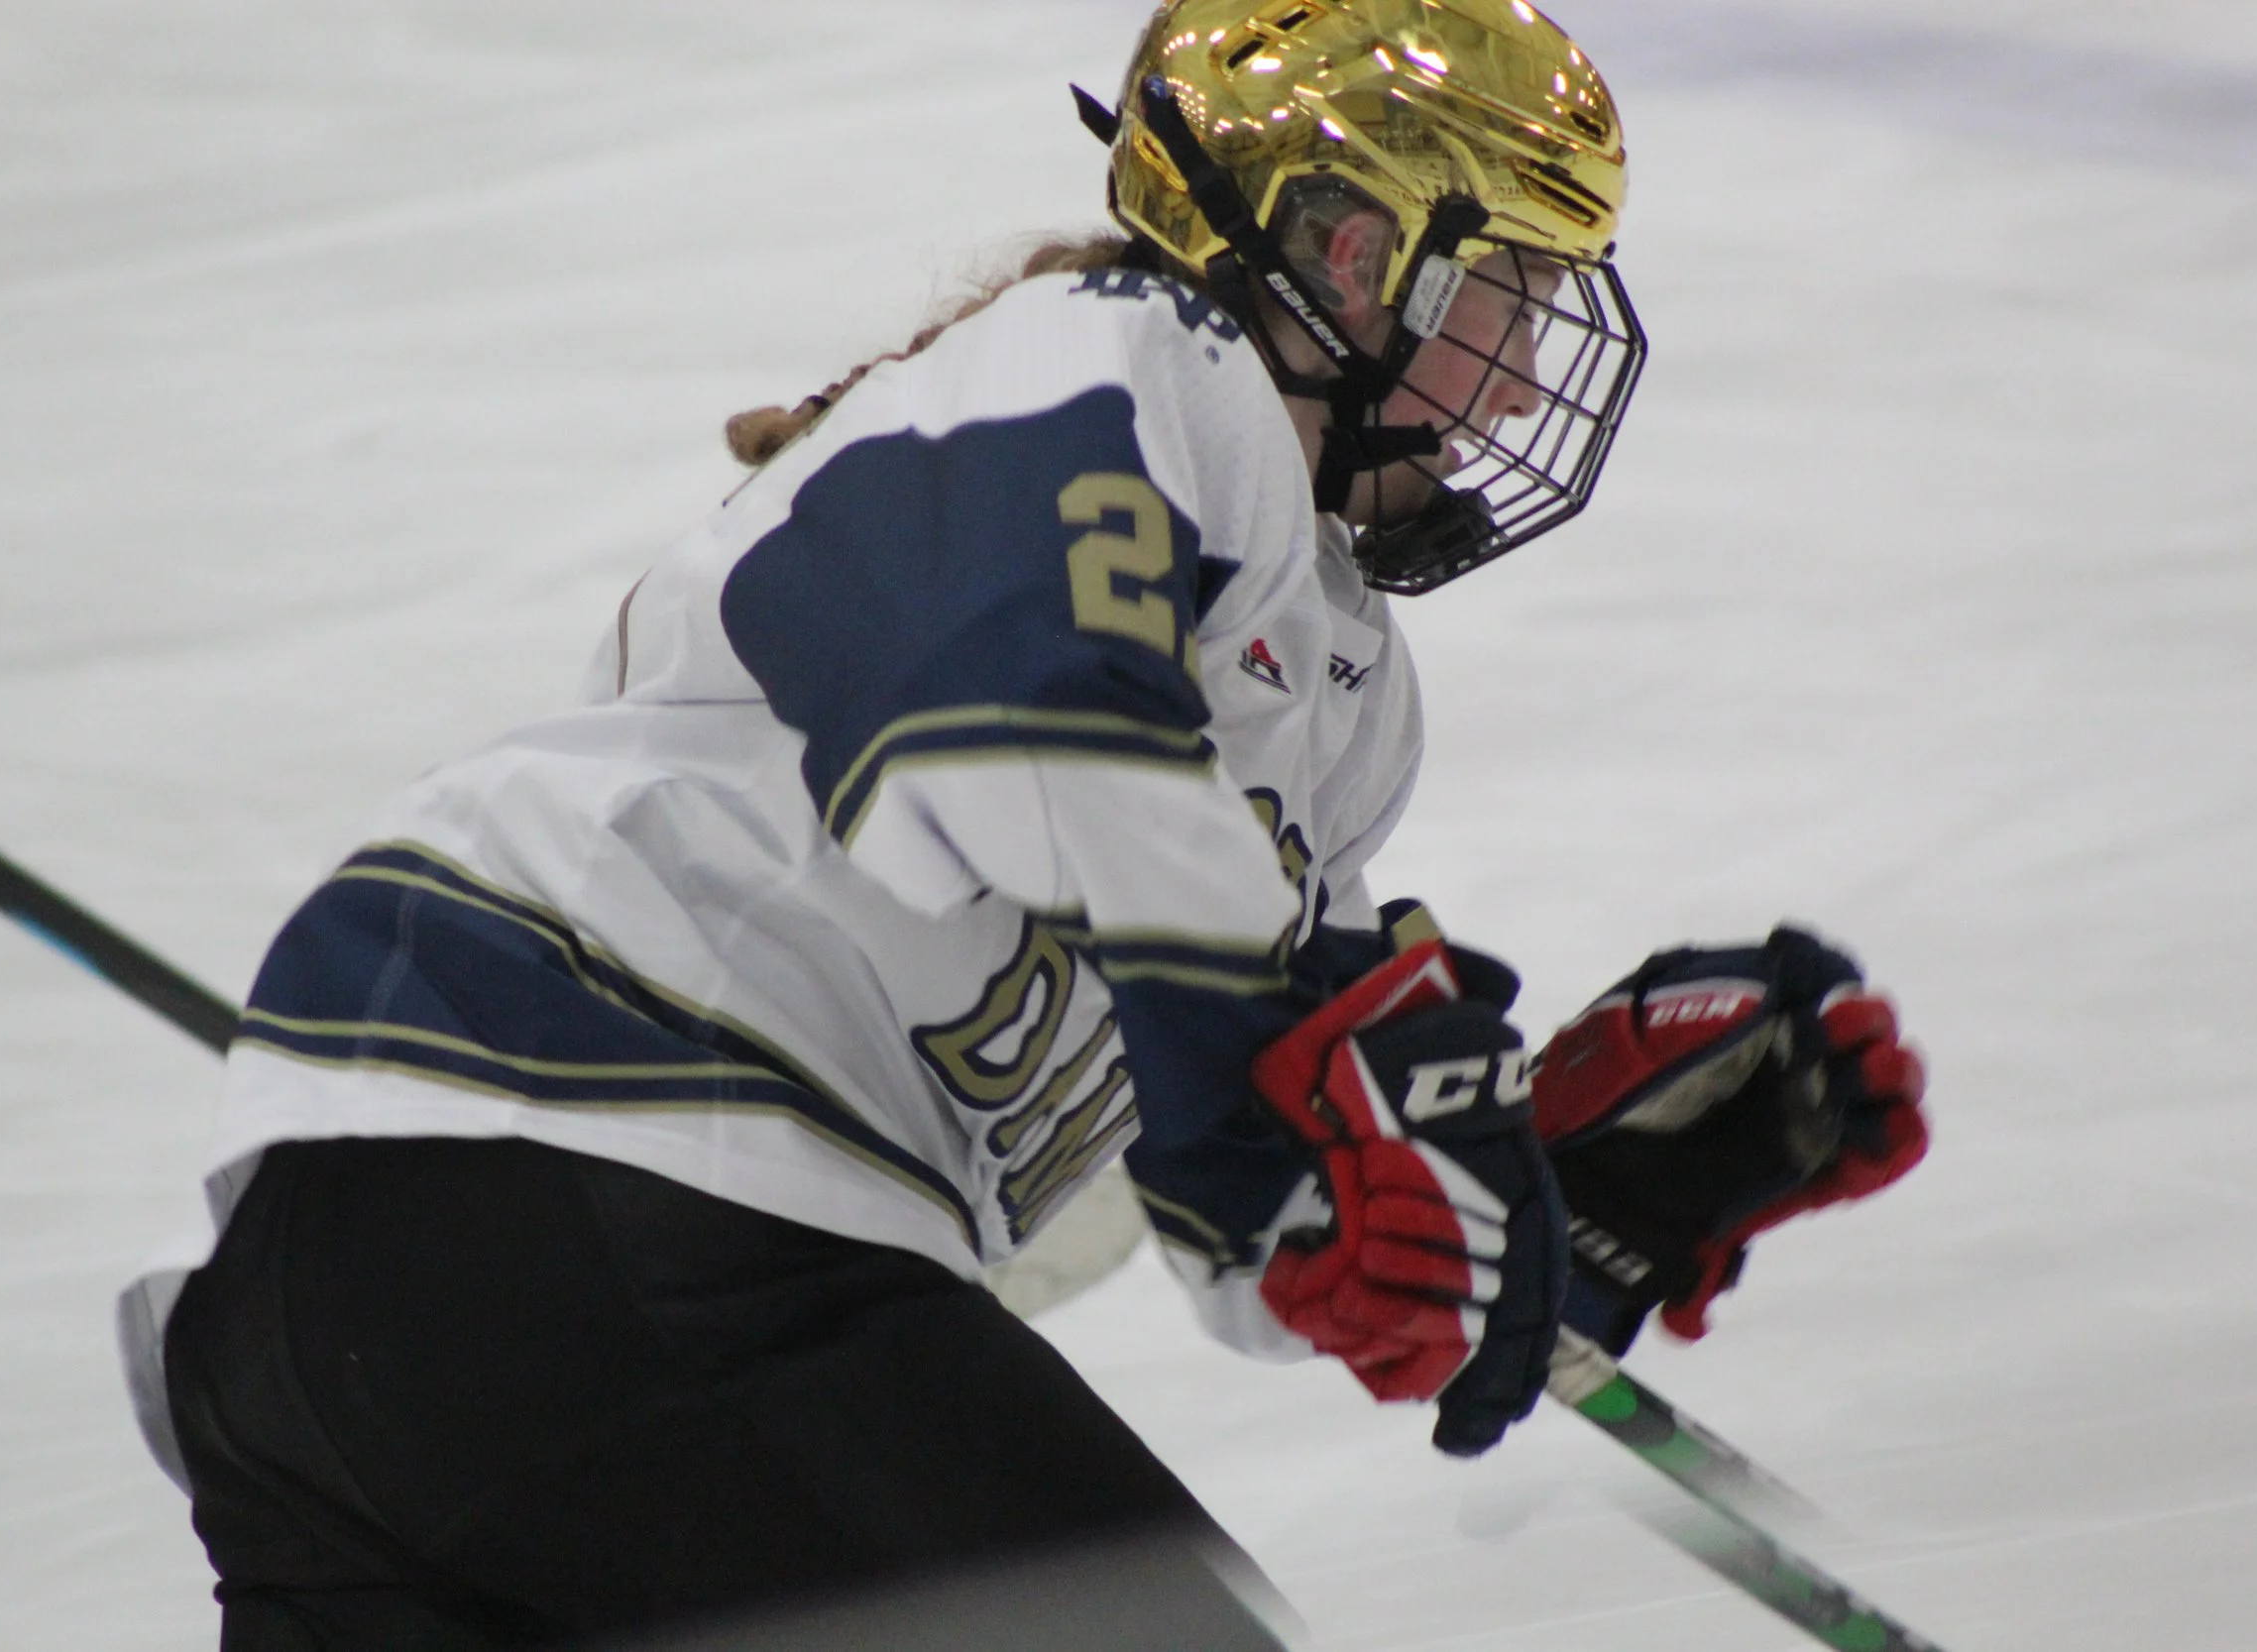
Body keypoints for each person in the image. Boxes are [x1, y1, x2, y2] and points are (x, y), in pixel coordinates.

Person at [119, 2, 1928, 1646]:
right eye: (1503, 303)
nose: (1524, 384)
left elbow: (1245, 1192)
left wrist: (1539, 1198)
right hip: (607, 1203)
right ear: (1352, 255)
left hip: (375, 1324)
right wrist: (1305, 1086)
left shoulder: (1331, 704)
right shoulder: (1130, 358)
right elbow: (1013, 710)